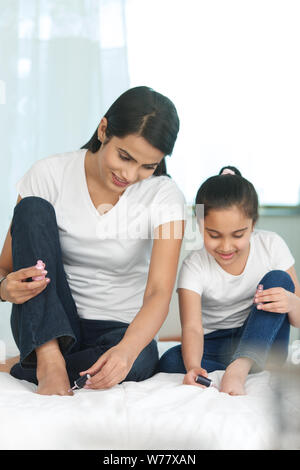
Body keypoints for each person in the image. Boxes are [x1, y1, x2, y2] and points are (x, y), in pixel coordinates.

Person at [0, 86, 186, 396]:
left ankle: (30, 366)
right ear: (103, 130)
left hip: (117, 329)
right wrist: (4, 290)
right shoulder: (49, 174)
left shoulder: (165, 196)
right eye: (124, 156)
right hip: (52, 319)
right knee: (32, 208)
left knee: (140, 357)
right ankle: (48, 359)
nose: (130, 174)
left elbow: (158, 293)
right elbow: (5, 268)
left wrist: (126, 351)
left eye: (148, 166)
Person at [157, 166, 300, 395]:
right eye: (214, 235)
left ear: (253, 225)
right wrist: (194, 366)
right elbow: (192, 328)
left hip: (265, 337)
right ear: (200, 224)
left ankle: (240, 367)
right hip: (219, 342)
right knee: (170, 361)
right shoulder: (194, 266)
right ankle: (249, 361)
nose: (225, 247)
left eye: (238, 235)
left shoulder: (271, 245)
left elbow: (297, 319)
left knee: (278, 279)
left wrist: (292, 302)